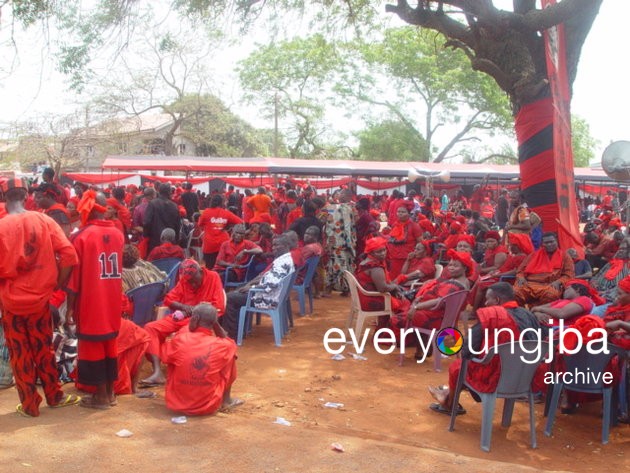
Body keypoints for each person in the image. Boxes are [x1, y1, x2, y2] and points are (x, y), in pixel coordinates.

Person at [0, 178, 81, 417]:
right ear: (26, 196)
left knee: (19, 352)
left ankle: (29, 405)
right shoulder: (44, 221)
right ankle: (54, 396)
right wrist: (57, 284)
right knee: (43, 348)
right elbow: (69, 256)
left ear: (4, 199)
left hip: (11, 303)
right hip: (40, 300)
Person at [428, 282, 542, 415]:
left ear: (497, 300)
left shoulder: (492, 316)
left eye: (488, 299)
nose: (486, 303)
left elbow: (467, 350)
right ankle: (447, 393)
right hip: (524, 377)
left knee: (459, 367)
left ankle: (449, 403)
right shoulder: (528, 315)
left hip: (495, 379)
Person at [67, 190, 125, 410]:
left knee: (92, 346)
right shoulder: (118, 233)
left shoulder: (82, 236)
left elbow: (74, 278)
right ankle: (110, 394)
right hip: (111, 301)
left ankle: (100, 397)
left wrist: (69, 308)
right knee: (110, 345)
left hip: (92, 300)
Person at [140, 259, 225, 386]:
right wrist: (184, 307)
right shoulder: (185, 279)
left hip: (198, 321)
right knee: (150, 328)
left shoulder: (213, 277)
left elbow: (218, 307)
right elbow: (169, 299)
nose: (193, 285)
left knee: (182, 337)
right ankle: (157, 372)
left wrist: (193, 311)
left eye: (195, 281)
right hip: (179, 317)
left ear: (201, 271)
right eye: (190, 282)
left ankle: (180, 371)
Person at [162, 303, 242, 415]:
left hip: (176, 404)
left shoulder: (180, 338)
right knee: (231, 356)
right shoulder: (223, 345)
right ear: (214, 323)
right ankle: (226, 400)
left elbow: (165, 358)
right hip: (207, 406)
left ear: (195, 318)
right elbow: (229, 342)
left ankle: (181, 394)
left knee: (173, 358)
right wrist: (215, 323)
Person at [222, 234, 296, 340]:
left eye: (277, 245)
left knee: (229, 298)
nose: (273, 248)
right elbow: (268, 277)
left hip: (266, 298)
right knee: (239, 290)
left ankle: (232, 336)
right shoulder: (287, 258)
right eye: (273, 245)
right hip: (274, 295)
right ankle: (240, 330)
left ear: (286, 245)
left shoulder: (282, 262)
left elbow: (270, 283)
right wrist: (251, 284)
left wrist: (251, 287)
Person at [391, 250, 473, 333]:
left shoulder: (454, 285)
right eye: (450, 265)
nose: (451, 268)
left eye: (455, 266)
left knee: (394, 320)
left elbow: (439, 301)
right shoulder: (464, 282)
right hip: (439, 315)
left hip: (433, 317)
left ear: (465, 268)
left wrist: (416, 306)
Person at [355, 236, 410, 328]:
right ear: (371, 252)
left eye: (384, 250)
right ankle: (391, 333)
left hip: (362, 298)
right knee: (406, 303)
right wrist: (395, 287)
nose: (383, 253)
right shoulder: (375, 267)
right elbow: (382, 288)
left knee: (399, 296)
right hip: (370, 301)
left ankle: (384, 330)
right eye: (379, 251)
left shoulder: (364, 262)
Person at [514, 232, 574, 306]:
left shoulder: (565, 256)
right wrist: (521, 277)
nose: (549, 244)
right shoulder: (533, 254)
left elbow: (569, 275)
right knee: (515, 292)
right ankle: (521, 314)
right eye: (546, 243)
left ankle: (538, 311)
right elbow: (520, 270)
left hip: (549, 284)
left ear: (556, 241)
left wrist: (558, 282)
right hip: (529, 284)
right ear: (542, 244)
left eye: (551, 242)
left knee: (551, 295)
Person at [531, 279, 605, 326]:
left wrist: (540, 310)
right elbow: (534, 309)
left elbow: (561, 314)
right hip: (542, 322)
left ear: (577, 289)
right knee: (520, 313)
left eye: (567, 289)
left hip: (554, 327)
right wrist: (538, 314)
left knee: (520, 314)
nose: (564, 292)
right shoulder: (561, 301)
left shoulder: (584, 299)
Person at [324, 189, 356, 295]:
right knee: (346, 264)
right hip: (348, 243)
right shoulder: (352, 208)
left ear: (347, 196)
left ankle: (329, 289)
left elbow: (331, 224)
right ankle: (346, 289)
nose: (339, 195)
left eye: (341, 193)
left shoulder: (339, 208)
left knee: (335, 264)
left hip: (339, 242)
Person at [198, 194, 243, 269]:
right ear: (222, 203)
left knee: (210, 268)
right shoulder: (226, 213)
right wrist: (227, 226)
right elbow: (241, 222)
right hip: (223, 243)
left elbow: (200, 224)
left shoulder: (206, 212)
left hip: (209, 245)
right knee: (223, 268)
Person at [387, 204, 423, 279]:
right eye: (398, 211)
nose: (399, 213)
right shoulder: (395, 225)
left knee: (402, 278)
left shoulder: (414, 226)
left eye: (403, 212)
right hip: (394, 256)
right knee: (393, 277)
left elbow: (421, 242)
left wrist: (415, 254)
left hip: (407, 258)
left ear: (408, 214)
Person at [590, 236, 630, 303]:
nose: (622, 251)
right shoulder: (612, 262)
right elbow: (598, 275)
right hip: (596, 291)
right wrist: (593, 282)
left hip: (610, 297)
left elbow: (622, 289)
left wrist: (604, 292)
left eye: (626, 248)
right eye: (621, 248)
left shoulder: (628, 267)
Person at [143, 183, 181, 254]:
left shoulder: (152, 203)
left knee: (154, 262)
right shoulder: (174, 206)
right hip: (170, 241)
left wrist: (145, 235)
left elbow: (147, 222)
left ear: (159, 191)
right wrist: (176, 240)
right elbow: (178, 225)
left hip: (155, 240)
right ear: (170, 192)